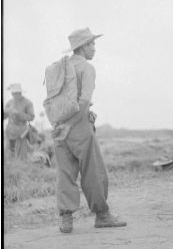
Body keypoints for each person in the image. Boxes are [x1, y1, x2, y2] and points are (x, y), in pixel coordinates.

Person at [52, 28, 126, 233]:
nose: (94, 48)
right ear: (83, 47)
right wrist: (73, 122)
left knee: (65, 173)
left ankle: (66, 220)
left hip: (58, 127)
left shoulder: (60, 67)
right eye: (92, 44)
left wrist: (62, 124)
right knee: (93, 172)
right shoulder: (86, 68)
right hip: (78, 126)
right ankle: (102, 215)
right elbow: (84, 100)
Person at [3, 84, 35, 161]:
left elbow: (31, 117)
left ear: (20, 93)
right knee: (8, 155)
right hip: (10, 131)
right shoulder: (9, 102)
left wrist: (19, 114)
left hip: (22, 133)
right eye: (13, 93)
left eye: (16, 93)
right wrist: (6, 112)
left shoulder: (28, 103)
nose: (14, 95)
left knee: (22, 157)